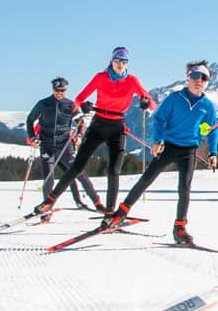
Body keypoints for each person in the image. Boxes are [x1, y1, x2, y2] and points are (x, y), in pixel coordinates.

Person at [102, 61, 218, 244]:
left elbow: (212, 129)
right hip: (169, 146)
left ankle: (180, 227)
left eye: (204, 78)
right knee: (147, 179)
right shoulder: (174, 98)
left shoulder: (208, 106)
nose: (199, 81)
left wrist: (213, 152)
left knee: (184, 189)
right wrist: (158, 140)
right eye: (196, 76)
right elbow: (159, 119)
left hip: (189, 149)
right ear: (188, 78)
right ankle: (121, 213)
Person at [34, 47, 156, 218]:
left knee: (114, 170)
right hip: (98, 124)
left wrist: (145, 102)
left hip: (117, 126)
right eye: (118, 60)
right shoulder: (101, 77)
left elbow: (152, 104)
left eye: (124, 61)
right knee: (77, 166)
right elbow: (79, 99)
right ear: (112, 61)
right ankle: (49, 201)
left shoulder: (132, 81)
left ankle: (110, 211)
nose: (121, 64)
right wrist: (84, 106)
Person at [26, 77, 105, 218]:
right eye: (57, 90)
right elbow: (30, 119)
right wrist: (32, 137)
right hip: (47, 145)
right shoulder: (43, 104)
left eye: (62, 91)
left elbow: (81, 121)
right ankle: (47, 210)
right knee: (49, 177)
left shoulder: (70, 105)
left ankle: (98, 203)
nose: (59, 93)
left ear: (66, 90)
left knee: (80, 173)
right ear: (53, 89)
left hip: (65, 146)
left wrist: (79, 136)